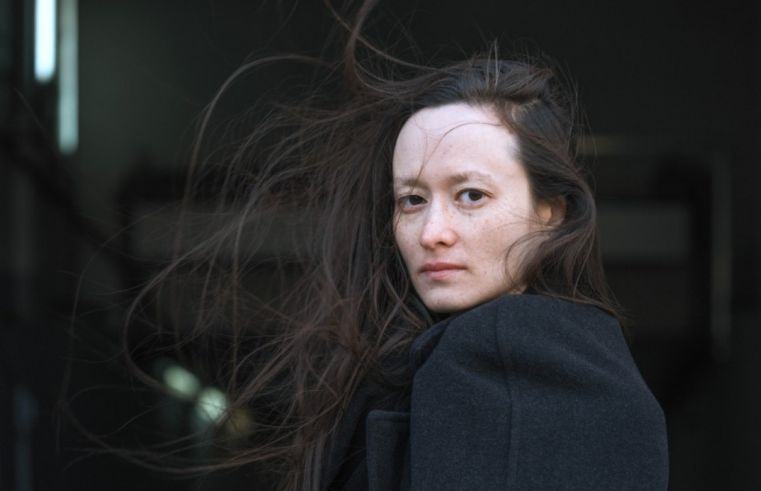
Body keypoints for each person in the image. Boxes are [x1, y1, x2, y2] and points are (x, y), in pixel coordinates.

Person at [129, 3, 669, 490]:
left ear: (550, 212)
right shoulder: (583, 356)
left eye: (471, 195)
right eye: (411, 200)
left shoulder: (503, 347)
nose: (432, 232)